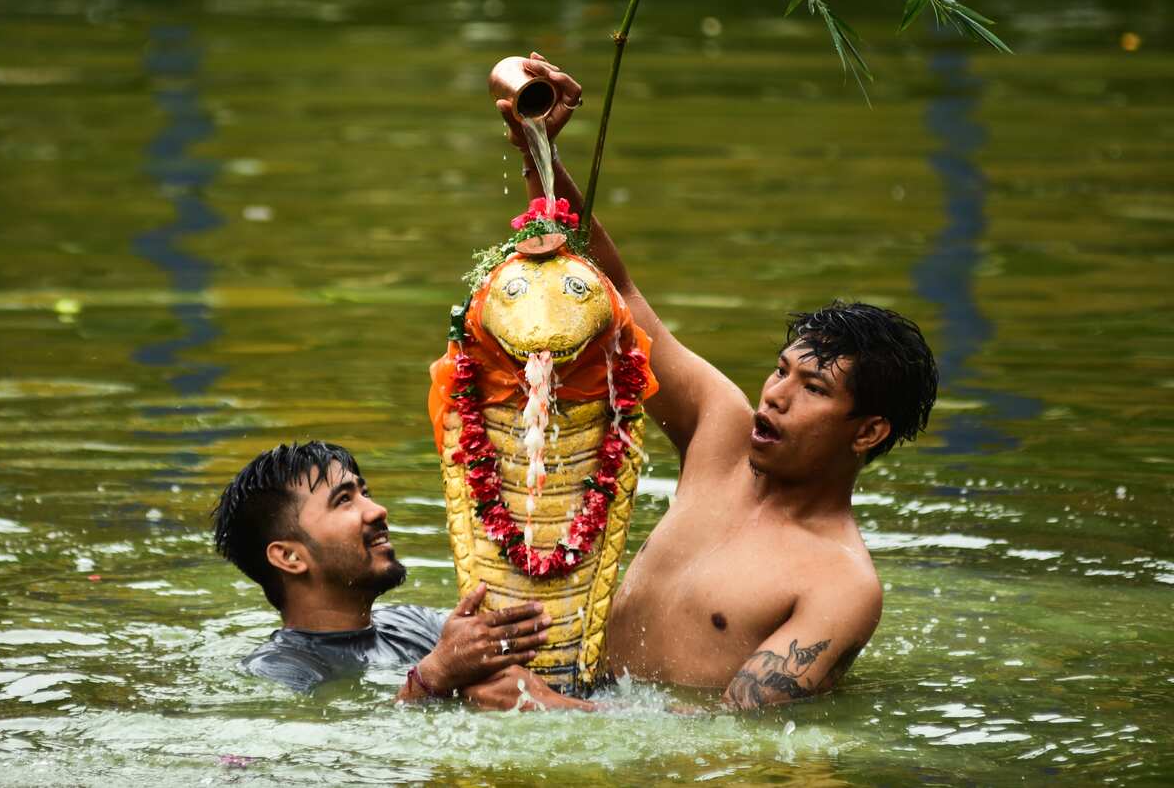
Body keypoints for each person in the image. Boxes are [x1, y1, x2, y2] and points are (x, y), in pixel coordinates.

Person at [496, 54, 939, 710]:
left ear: (869, 429)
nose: (775, 394)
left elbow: (730, 734)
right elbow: (615, 294)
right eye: (781, 369)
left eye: (813, 388)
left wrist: (538, 706)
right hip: (578, 699)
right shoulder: (720, 431)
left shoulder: (838, 583)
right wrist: (541, 148)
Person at [212, 440, 592, 710]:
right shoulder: (276, 670)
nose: (377, 510)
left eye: (364, 493)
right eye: (344, 500)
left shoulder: (419, 623)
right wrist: (431, 680)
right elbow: (329, 752)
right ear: (290, 557)